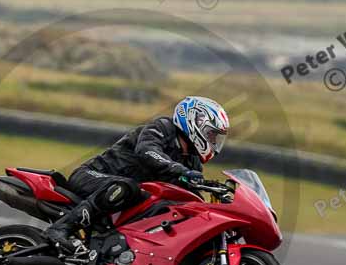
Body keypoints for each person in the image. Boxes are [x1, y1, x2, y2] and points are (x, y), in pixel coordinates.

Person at [45, 96, 230, 256]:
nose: (213, 142)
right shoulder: (162, 127)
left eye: (216, 138)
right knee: (127, 187)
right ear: (195, 122)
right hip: (92, 176)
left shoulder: (192, 161)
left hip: (126, 196)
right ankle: (60, 229)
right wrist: (180, 171)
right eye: (212, 135)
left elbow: (191, 198)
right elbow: (147, 151)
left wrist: (216, 203)